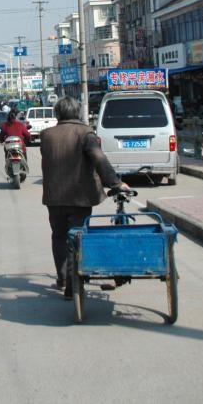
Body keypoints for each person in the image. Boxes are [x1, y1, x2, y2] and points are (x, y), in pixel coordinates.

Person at [40, 97, 129, 299]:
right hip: (80, 197)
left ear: (58, 113)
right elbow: (98, 158)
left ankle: (63, 278)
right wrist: (115, 183)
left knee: (59, 236)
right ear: (78, 113)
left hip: (54, 196)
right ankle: (74, 283)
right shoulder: (85, 133)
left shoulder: (46, 135)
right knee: (78, 236)